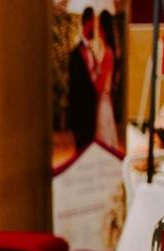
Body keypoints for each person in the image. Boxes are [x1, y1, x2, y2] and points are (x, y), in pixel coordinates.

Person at [69, 7, 98, 151]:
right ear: (86, 23)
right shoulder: (75, 54)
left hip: (92, 112)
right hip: (81, 115)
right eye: (93, 21)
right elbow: (73, 88)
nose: (95, 26)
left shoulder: (93, 51)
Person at [94, 10, 118, 149]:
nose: (98, 31)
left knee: (104, 137)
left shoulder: (108, 53)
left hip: (102, 100)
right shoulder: (108, 51)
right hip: (105, 100)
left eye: (99, 27)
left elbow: (101, 83)